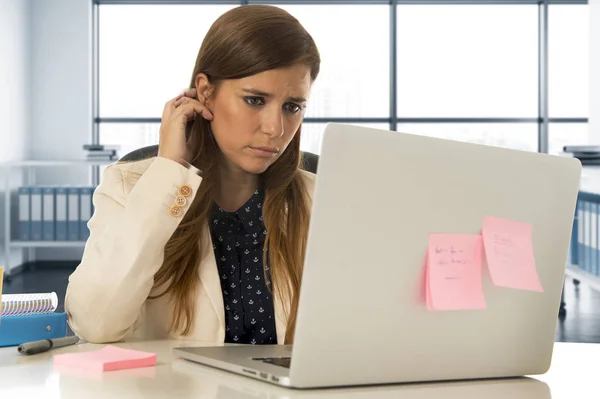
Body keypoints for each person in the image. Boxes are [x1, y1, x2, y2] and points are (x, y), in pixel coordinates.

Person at [64, 4, 321, 346]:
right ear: (205, 91)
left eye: (292, 107)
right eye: (255, 100)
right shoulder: (128, 187)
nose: (275, 128)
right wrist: (169, 175)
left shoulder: (322, 198)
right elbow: (95, 325)